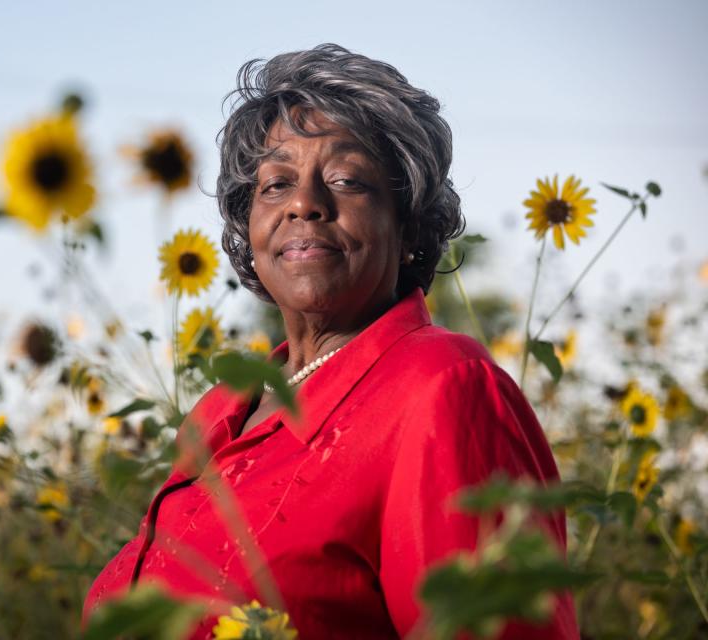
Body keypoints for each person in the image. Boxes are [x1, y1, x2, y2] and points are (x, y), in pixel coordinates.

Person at [83, 44, 578, 639]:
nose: (304, 204)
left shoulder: (442, 387)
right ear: (251, 228)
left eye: (346, 180)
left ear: (409, 224)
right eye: (275, 185)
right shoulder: (221, 409)